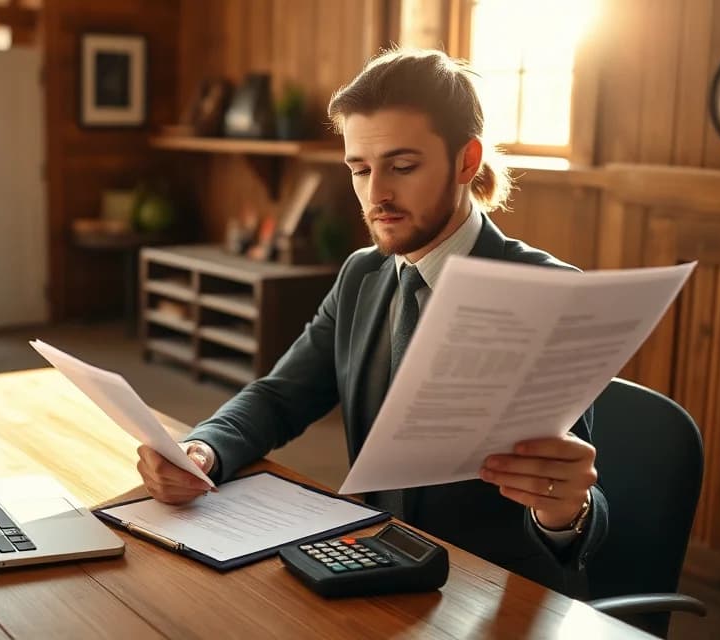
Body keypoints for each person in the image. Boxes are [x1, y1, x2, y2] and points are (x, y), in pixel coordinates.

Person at [135, 48, 606, 597]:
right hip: (372, 566)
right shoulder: (364, 275)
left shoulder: (548, 291)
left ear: (465, 161)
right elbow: (281, 396)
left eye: (402, 168)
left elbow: (584, 505)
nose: (376, 193)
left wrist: (565, 511)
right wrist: (204, 450)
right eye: (359, 169)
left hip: (490, 593)